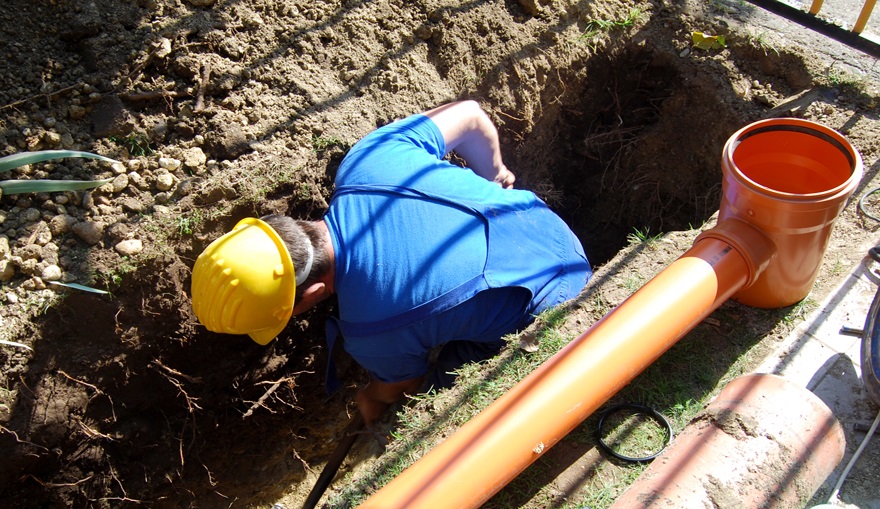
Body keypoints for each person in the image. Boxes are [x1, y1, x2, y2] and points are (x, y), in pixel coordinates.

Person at [191, 100, 592, 426]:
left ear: (313, 292)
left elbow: (405, 384)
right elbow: (471, 117)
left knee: (447, 377)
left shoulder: (370, 332)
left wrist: (373, 396)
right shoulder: (367, 162)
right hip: (543, 223)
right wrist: (495, 177)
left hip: (562, 297)